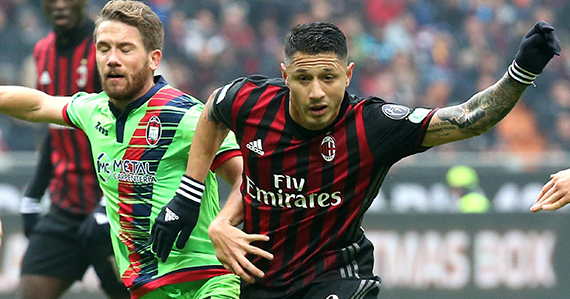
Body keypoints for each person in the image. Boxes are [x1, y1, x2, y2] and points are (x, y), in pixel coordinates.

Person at [151, 21, 560, 299]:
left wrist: (521, 71)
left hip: (337, 274)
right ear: (284, 74)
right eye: (303, 78)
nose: (315, 92)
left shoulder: (373, 125)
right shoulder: (248, 100)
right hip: (260, 277)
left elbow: (469, 118)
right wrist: (190, 192)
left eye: (328, 77)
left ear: (348, 74)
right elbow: (212, 113)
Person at [0, 1, 241, 298]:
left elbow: (249, 177)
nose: (112, 59)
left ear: (154, 59)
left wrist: (224, 222)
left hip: (208, 282)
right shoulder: (92, 110)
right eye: (104, 48)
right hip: (147, 289)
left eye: (125, 49)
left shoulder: (188, 116)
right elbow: (38, 104)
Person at [17, 0, 129, 298]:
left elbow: (125, 129)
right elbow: (56, 132)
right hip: (64, 207)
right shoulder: (42, 51)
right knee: (29, 291)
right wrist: (32, 195)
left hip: (116, 209)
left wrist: (108, 204)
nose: (60, 5)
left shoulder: (104, 51)